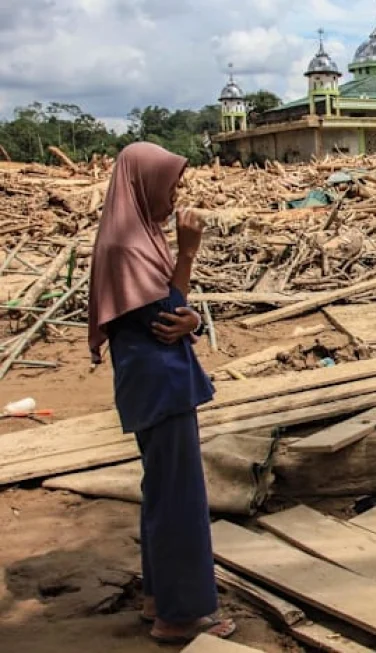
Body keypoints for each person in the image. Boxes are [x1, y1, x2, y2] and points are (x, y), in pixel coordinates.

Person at [87, 142, 236, 644]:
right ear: (142, 184)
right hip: (160, 384)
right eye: (169, 186)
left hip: (150, 381)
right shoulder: (129, 245)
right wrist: (188, 252)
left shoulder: (134, 234)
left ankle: (160, 596)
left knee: (162, 492)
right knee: (179, 500)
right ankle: (181, 616)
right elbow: (168, 315)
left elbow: (174, 312)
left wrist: (189, 315)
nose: (174, 197)